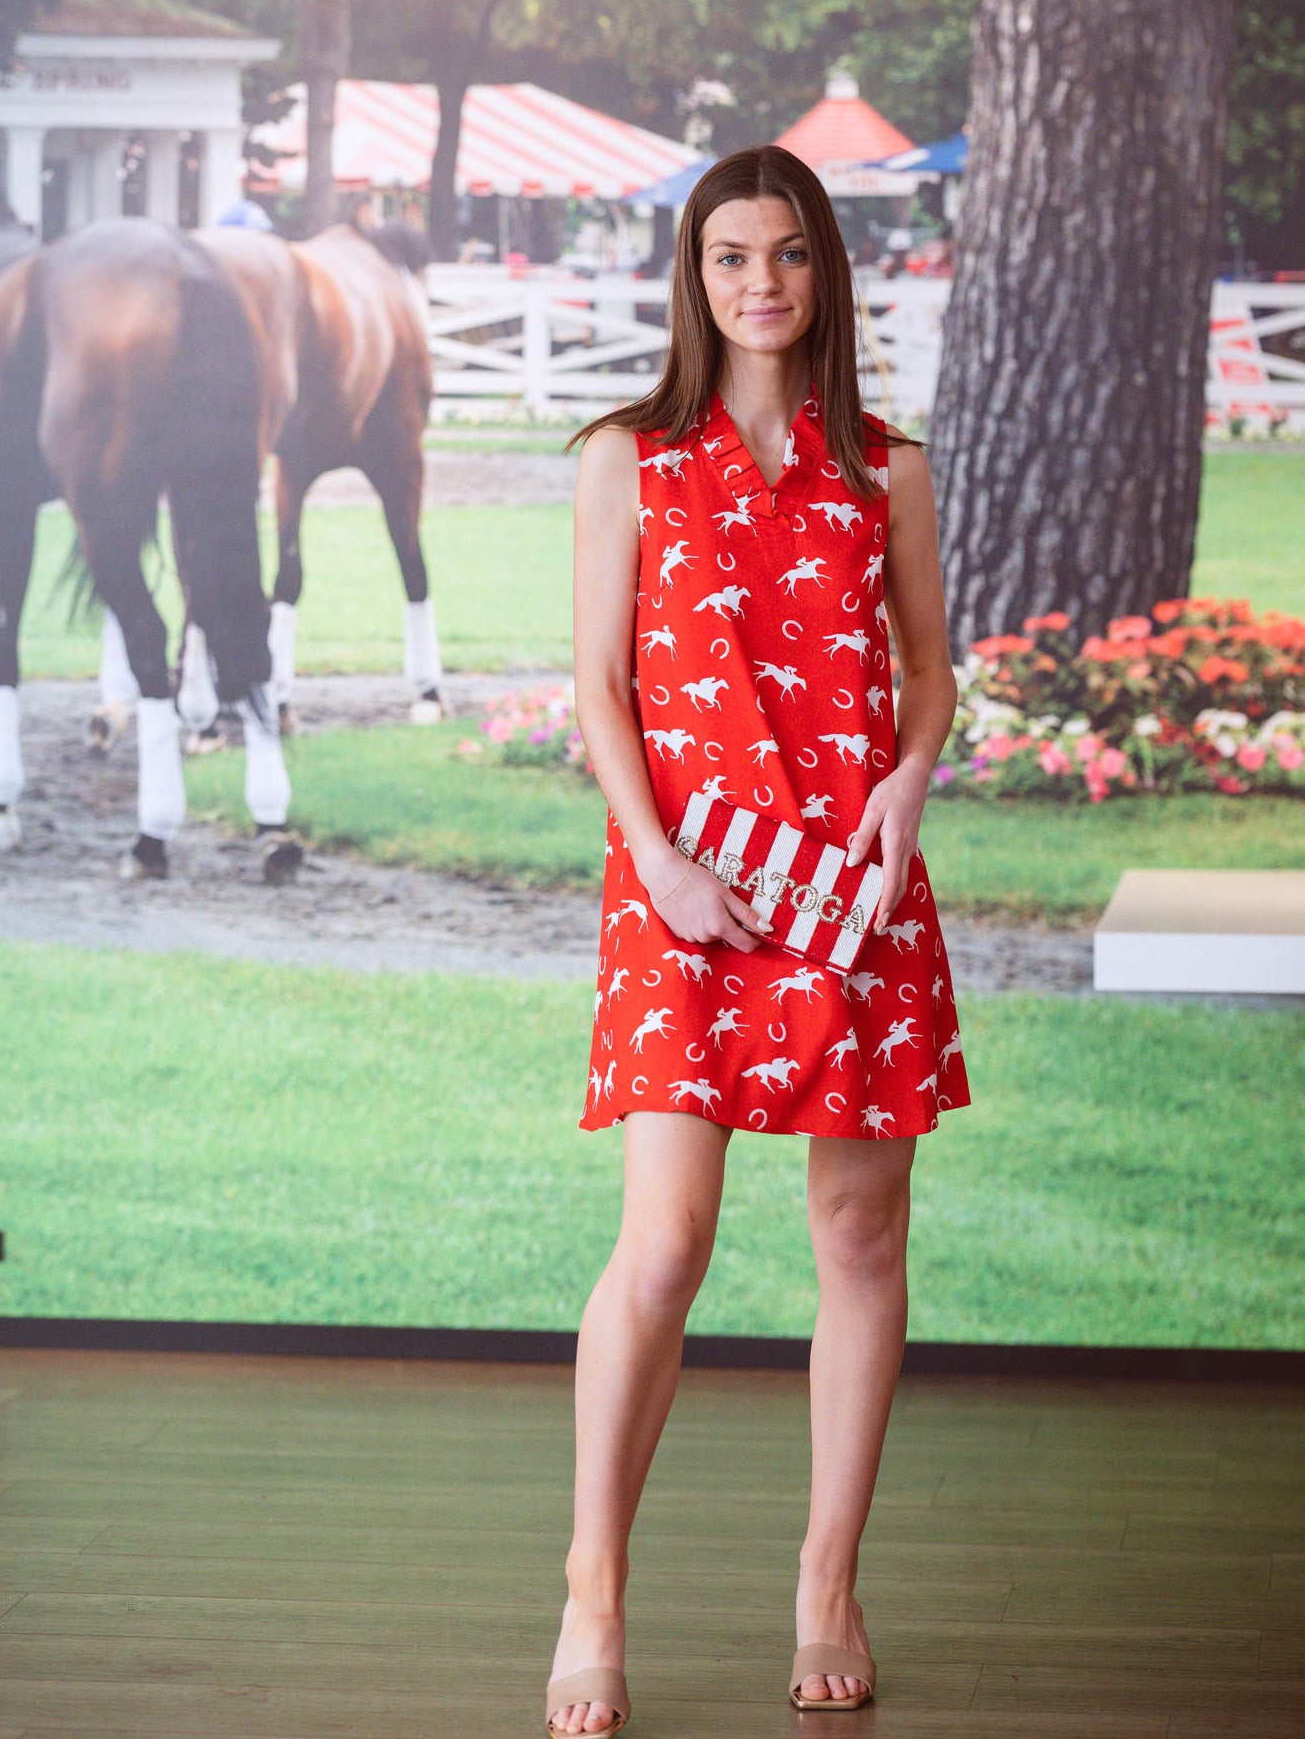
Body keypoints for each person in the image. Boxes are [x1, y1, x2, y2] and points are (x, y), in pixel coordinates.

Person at [546, 145, 968, 1734]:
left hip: (851, 894)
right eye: (730, 257)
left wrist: (910, 778)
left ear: (825, 273)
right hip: (682, 893)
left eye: (787, 255)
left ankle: (826, 1582)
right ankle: (593, 1589)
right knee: (663, 1244)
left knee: (859, 1242)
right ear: (693, 274)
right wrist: (655, 862)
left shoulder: (889, 469)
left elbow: (927, 670)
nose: (761, 285)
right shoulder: (627, 458)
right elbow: (599, 686)